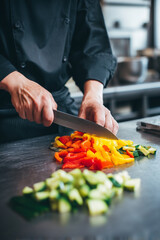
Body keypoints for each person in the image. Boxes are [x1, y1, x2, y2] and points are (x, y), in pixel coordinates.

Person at [0, 0, 118, 143]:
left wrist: (93, 97)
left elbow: (94, 45)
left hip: (60, 113)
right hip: (5, 116)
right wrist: (17, 83)